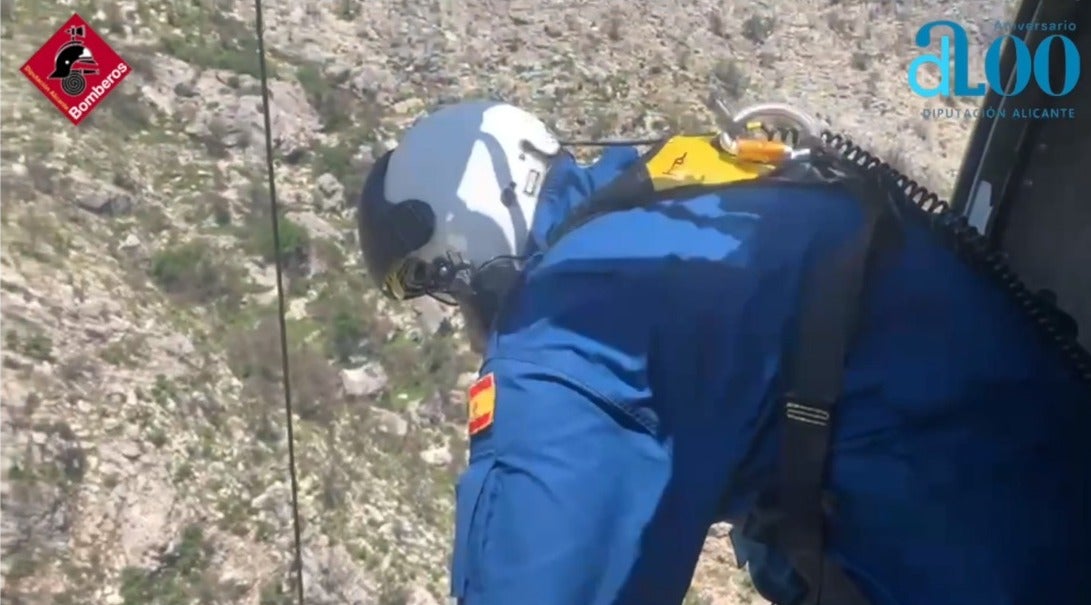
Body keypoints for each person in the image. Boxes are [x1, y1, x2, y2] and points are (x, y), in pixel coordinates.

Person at [355, 100, 1091, 605]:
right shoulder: (686, 206)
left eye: (440, 284)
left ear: (464, 225)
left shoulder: (575, 317)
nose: (466, 317)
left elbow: (536, 578)